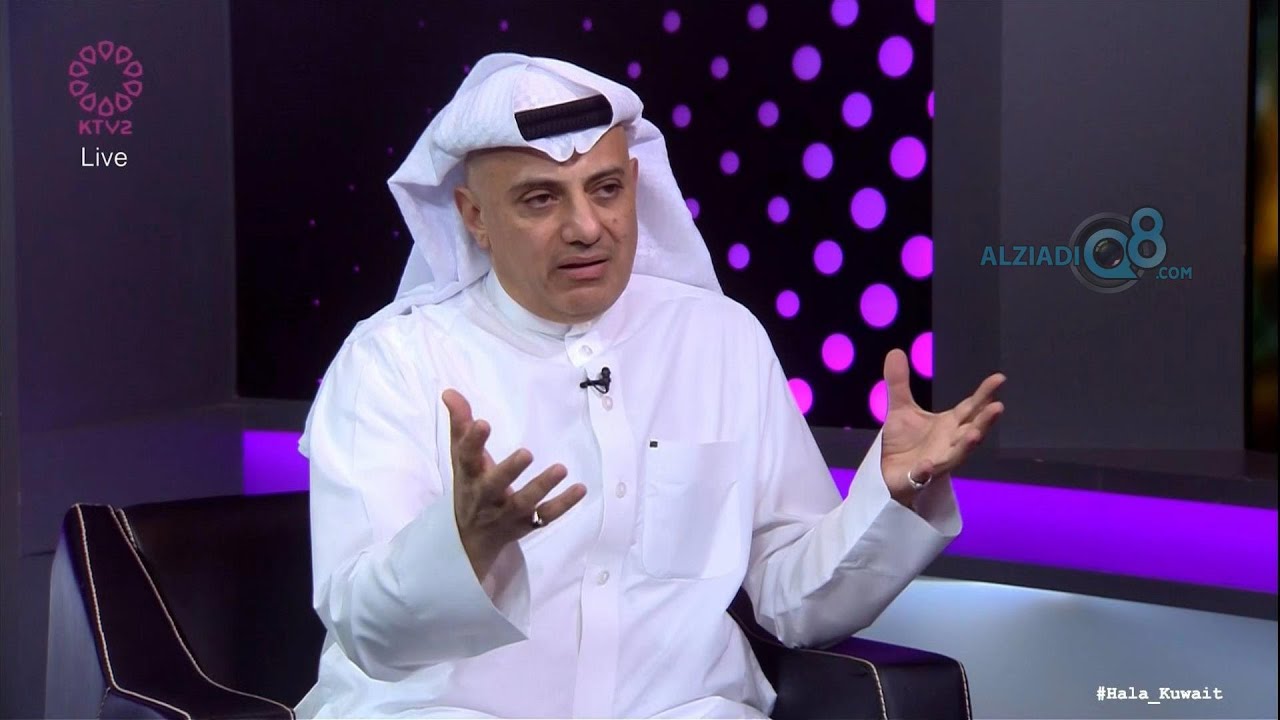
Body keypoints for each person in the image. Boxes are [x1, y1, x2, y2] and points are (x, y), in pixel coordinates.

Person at [295, 53, 1005, 719]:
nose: (586, 227)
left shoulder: (720, 340)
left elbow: (796, 605)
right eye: (540, 199)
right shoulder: (393, 361)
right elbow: (366, 630)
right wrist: (466, 543)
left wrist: (893, 493)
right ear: (474, 216)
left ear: (634, 184)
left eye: (605, 189)